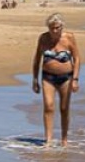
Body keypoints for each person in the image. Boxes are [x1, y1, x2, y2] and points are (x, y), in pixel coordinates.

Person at [32, 14, 80, 146]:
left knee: (64, 108)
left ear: (61, 27)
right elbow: (37, 59)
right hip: (47, 77)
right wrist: (35, 79)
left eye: (57, 28)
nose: (54, 31)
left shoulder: (69, 38)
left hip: (66, 78)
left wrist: (75, 79)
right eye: (51, 28)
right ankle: (48, 139)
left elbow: (76, 58)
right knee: (48, 106)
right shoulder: (43, 38)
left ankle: (64, 139)